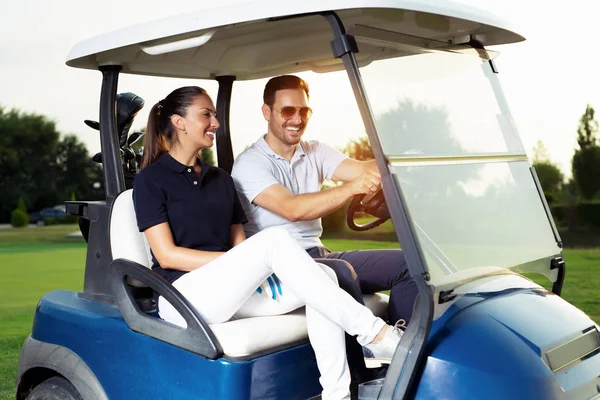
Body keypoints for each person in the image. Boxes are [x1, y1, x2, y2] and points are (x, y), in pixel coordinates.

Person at [132, 86, 403, 400]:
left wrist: (245, 264)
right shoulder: (151, 180)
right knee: (274, 239)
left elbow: (238, 246)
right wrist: (239, 262)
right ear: (179, 122)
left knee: (326, 276)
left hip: (228, 289)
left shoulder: (220, 179)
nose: (215, 123)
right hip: (183, 294)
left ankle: (338, 395)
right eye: (206, 115)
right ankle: (376, 334)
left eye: (215, 115)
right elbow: (167, 256)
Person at [231, 75, 418, 381]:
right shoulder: (250, 164)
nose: (297, 119)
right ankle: (361, 378)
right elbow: (293, 209)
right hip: (282, 269)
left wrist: (400, 162)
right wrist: (351, 189)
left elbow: (361, 169)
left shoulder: (315, 150)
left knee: (407, 265)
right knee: (339, 273)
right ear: (267, 113)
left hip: (320, 254)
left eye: (304, 111)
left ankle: (402, 363)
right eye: (288, 111)